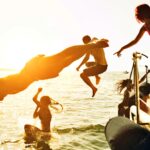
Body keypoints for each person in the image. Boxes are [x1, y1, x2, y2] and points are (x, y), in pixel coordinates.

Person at [0, 39, 109, 100]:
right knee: (67, 60)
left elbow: (24, 76)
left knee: (62, 56)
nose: (1, 100)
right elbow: (30, 79)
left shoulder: (5, 84)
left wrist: (33, 64)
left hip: (35, 68)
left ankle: (93, 45)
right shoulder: (9, 90)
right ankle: (91, 45)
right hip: (39, 72)